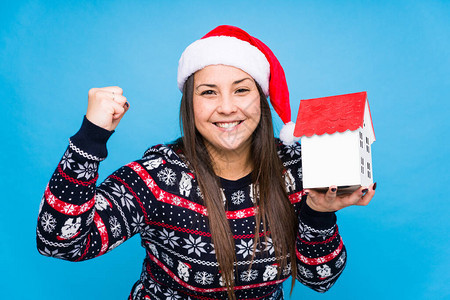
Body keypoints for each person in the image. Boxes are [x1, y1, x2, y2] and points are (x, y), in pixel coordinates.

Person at [36, 25, 376, 300]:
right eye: (209, 92)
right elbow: (60, 242)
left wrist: (318, 211)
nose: (227, 107)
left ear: (261, 98)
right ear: (190, 104)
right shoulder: (158, 177)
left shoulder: (298, 168)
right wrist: (90, 139)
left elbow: (320, 280)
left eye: (241, 90)